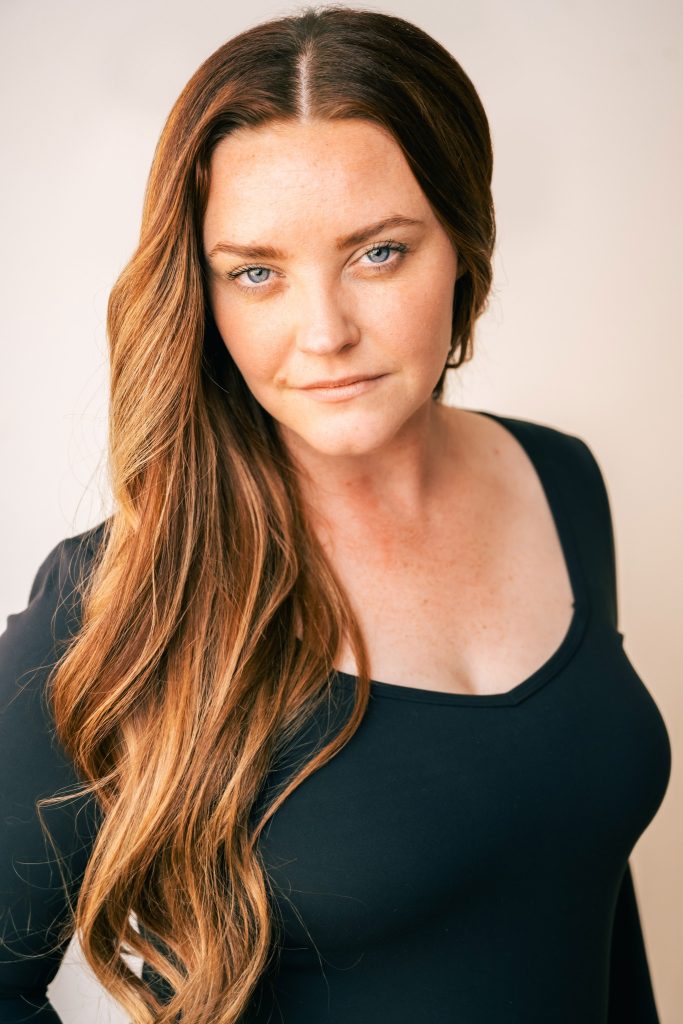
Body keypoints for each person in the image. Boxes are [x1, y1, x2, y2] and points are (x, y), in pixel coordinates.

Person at [0, 5, 672, 1023]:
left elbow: (581, 892)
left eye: (378, 253)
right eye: (255, 272)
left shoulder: (560, 479)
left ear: (462, 242)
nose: (323, 333)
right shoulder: (122, 591)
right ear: (203, 291)